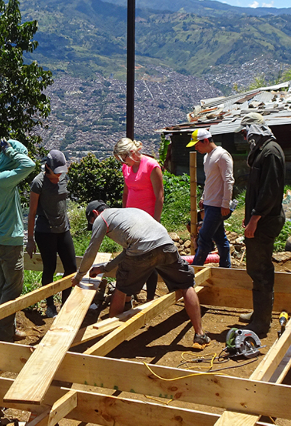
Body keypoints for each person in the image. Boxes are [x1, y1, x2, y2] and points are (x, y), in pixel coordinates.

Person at [77, 201, 211, 349]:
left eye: (92, 222)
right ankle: (200, 335)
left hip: (141, 250)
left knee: (121, 289)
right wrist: (105, 268)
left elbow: (91, 252)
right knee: (186, 285)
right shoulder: (129, 212)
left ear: (95, 213)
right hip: (166, 245)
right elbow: (127, 251)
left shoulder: (101, 219)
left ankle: (110, 339)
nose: (93, 224)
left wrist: (79, 276)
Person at [237, 113, 286, 338]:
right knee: (255, 269)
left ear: (255, 130)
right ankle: (259, 313)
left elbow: (270, 191)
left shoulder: (271, 152)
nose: (246, 138)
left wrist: (254, 220)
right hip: (260, 219)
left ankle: (261, 322)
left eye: (246, 133)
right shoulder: (263, 151)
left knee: (261, 270)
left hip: (264, 221)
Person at [0, 138, 36, 342]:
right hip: (8, 241)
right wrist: (11, 151)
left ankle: (1, 326)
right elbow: (29, 165)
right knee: (13, 289)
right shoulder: (1, 180)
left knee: (3, 287)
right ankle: (2, 333)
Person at [26, 150, 76, 318]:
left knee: (71, 267)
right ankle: (49, 305)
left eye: (62, 171)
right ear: (47, 167)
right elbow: (32, 213)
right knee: (50, 268)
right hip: (45, 231)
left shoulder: (63, 178)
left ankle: (67, 302)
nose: (59, 175)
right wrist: (30, 239)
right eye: (56, 172)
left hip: (63, 229)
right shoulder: (38, 183)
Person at [113, 137, 164, 302]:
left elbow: (159, 196)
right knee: (129, 256)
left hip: (148, 219)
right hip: (131, 219)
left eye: (123, 157)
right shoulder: (126, 169)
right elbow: (126, 192)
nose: (122, 162)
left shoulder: (151, 166)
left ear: (132, 153)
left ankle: (150, 297)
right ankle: (129, 295)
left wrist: (156, 222)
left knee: (149, 258)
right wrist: (123, 214)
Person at [187, 128, 234, 269]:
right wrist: (204, 197)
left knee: (204, 239)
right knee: (220, 238)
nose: (196, 148)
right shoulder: (207, 156)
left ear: (206, 141)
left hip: (218, 205)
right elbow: (210, 180)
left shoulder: (222, 155)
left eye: (197, 144)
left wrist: (225, 203)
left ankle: (195, 270)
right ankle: (226, 268)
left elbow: (228, 180)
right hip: (209, 203)